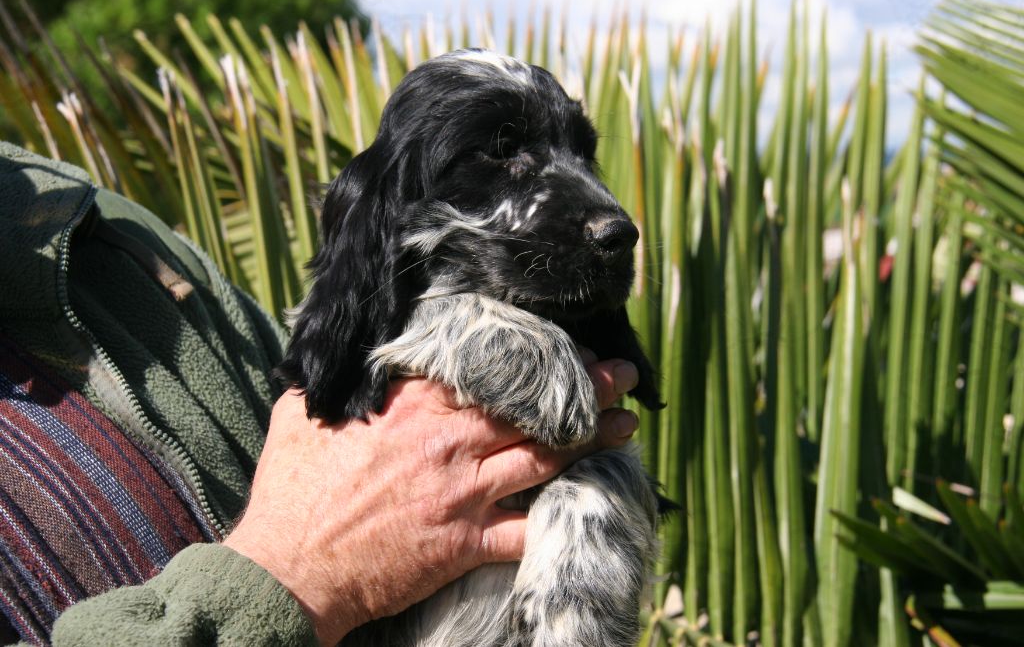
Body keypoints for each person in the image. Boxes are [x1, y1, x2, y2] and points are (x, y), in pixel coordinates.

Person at [0, 141, 642, 645]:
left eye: (579, 155)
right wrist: (288, 575)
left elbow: (313, 377)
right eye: (502, 157)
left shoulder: (90, 223)